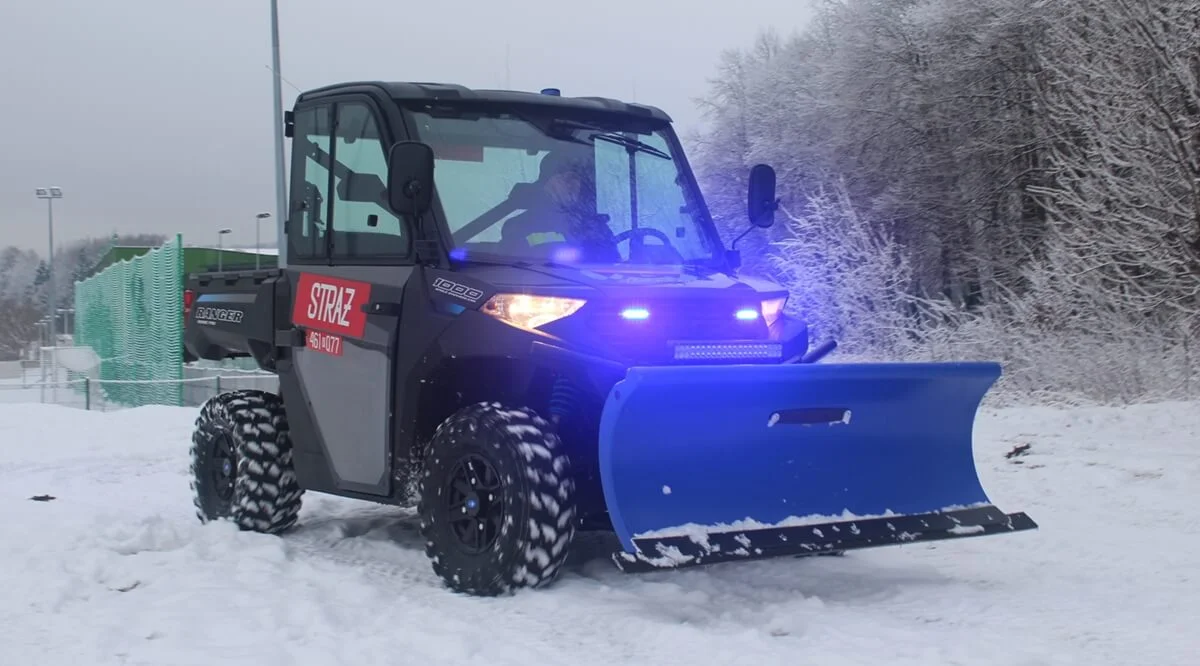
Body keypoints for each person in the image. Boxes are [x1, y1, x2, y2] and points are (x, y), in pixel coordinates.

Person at [500, 151, 621, 262]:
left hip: (593, 285)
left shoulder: (597, 227)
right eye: (566, 179)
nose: (572, 185)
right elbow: (513, 272)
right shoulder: (519, 226)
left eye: (576, 180)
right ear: (547, 183)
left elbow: (613, 266)